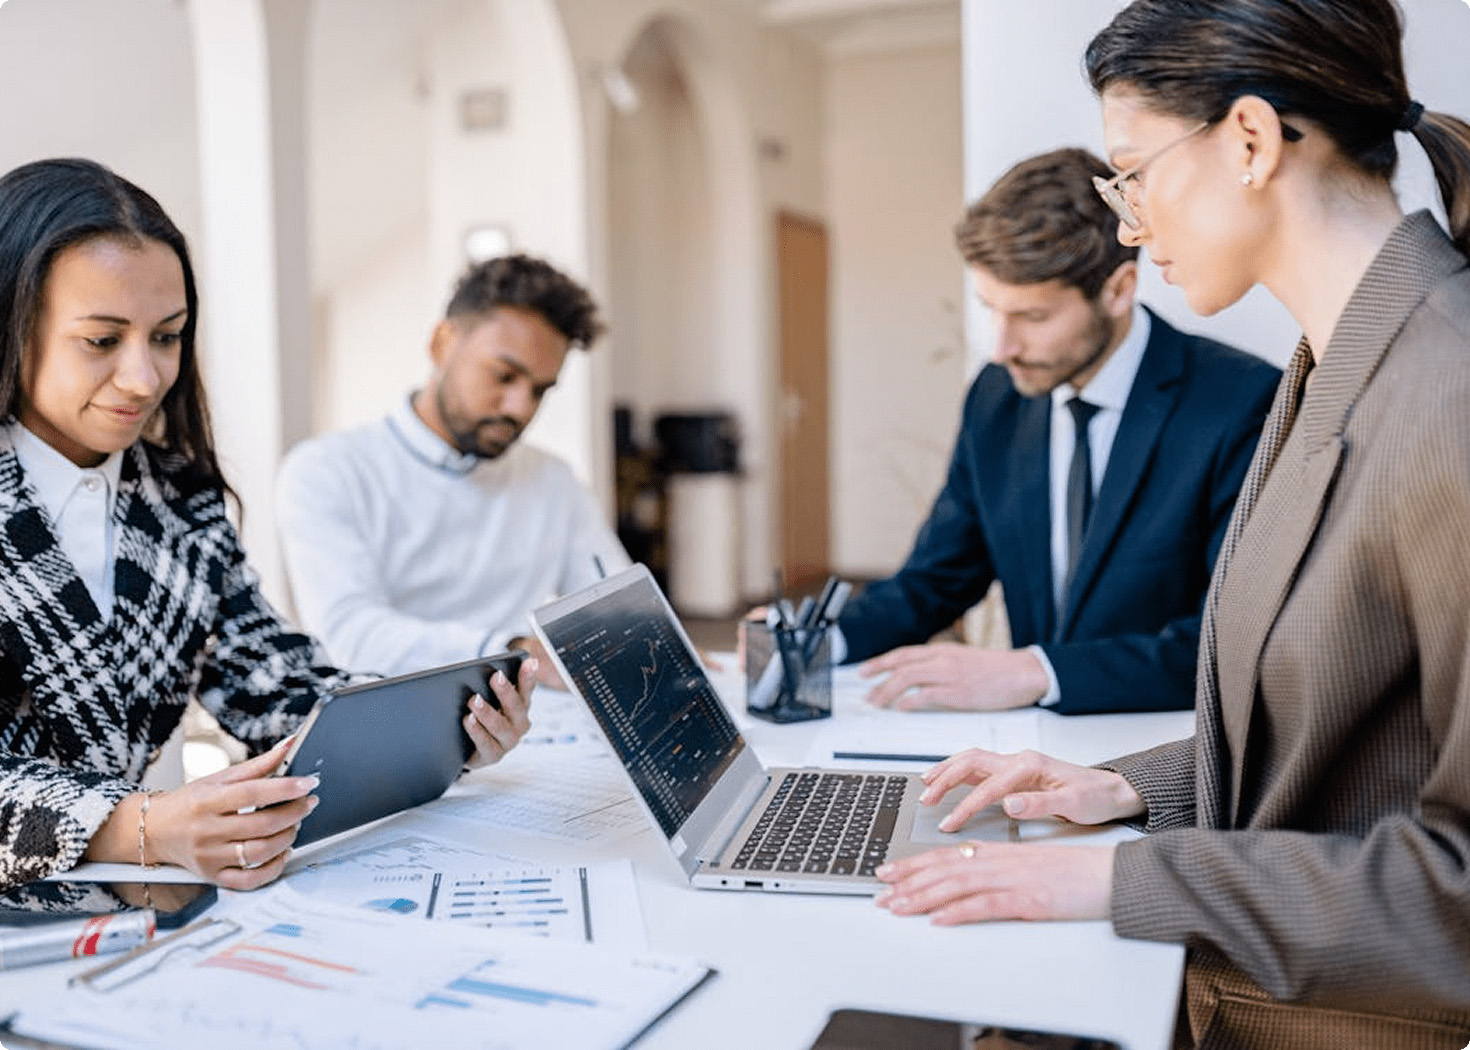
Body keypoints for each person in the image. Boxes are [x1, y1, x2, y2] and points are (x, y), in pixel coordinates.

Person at [875, 1, 1470, 1045]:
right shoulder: (1332, 363)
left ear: (1248, 141)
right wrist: (1119, 786)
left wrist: (1117, 877)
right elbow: (1323, 747)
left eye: (1134, 174)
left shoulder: (1449, 389)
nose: (1133, 225)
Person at [0, 159, 534, 906]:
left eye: (167, 336)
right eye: (101, 340)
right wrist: (137, 824)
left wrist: (443, 733)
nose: (145, 379)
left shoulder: (177, 491)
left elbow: (270, 679)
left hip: (140, 918)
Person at [838, 148, 1279, 714]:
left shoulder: (1240, 402)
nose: (1002, 347)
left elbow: (1235, 643)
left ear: (1119, 290)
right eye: (991, 310)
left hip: (1166, 752)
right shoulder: (995, 398)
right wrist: (815, 640)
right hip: (1031, 751)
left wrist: (1036, 671)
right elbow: (935, 581)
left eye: (1033, 317)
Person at [276, 254, 629, 685]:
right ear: (442, 344)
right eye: (504, 376)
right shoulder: (328, 471)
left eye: (540, 390)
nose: (521, 407)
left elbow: (615, 608)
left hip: (535, 722)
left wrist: (654, 644)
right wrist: (512, 651)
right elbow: (350, 635)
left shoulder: (553, 480)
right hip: (392, 728)